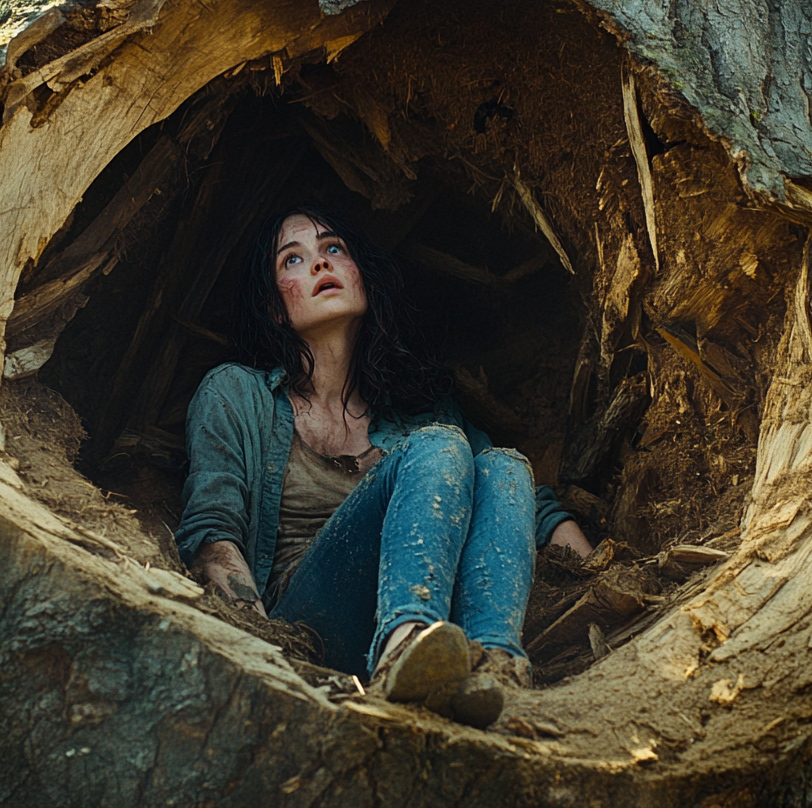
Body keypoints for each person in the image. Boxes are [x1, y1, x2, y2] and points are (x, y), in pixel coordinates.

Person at [174, 206, 593, 727]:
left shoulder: (414, 409)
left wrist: (601, 573)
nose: (320, 265)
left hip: (440, 636)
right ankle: (404, 648)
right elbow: (212, 535)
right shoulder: (236, 394)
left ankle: (495, 667)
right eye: (293, 259)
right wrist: (262, 657)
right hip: (310, 626)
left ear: (360, 275)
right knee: (440, 446)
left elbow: (530, 506)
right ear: (275, 306)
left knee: (504, 466)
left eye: (333, 250)